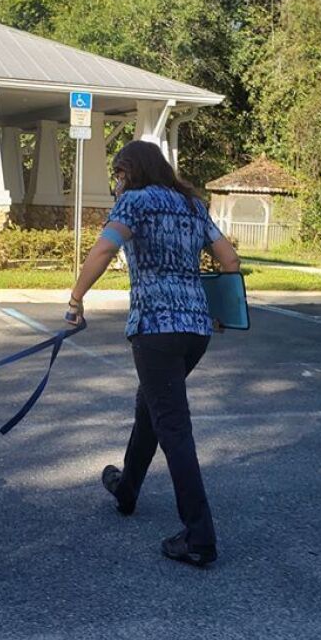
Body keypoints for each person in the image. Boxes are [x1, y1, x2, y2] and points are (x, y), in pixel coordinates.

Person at [66, 140, 240, 567]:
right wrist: (219, 310)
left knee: (173, 427)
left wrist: (75, 298)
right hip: (196, 329)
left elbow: (105, 248)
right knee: (152, 406)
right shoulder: (191, 205)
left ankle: (199, 537)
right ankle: (127, 490)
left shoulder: (134, 203)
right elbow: (229, 259)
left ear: (129, 172)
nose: (117, 183)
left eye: (118, 175)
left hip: (155, 328)